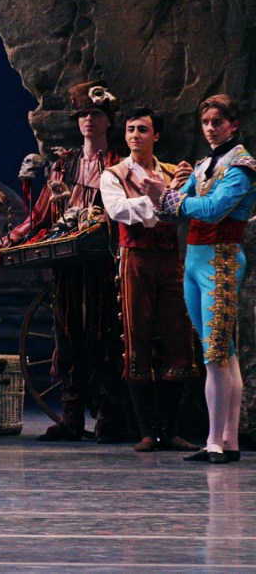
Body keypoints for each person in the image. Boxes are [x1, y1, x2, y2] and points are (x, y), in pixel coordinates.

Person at [0, 81, 129, 443]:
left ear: (108, 120)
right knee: (67, 335)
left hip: (104, 260)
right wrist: (14, 236)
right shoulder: (64, 164)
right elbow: (40, 215)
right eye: (83, 114)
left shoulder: (118, 163)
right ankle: (72, 417)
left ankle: (109, 417)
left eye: (95, 114)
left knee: (104, 336)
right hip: (68, 261)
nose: (88, 120)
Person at [157, 94, 255, 464]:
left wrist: (172, 200)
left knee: (216, 353)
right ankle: (226, 440)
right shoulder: (202, 166)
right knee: (220, 352)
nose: (211, 128)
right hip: (196, 260)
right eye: (206, 123)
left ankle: (215, 440)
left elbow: (211, 210)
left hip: (222, 260)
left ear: (234, 125)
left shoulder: (242, 166)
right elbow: (170, 208)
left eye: (217, 122)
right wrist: (164, 194)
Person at [99, 108, 199, 452]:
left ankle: (169, 429)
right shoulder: (114, 174)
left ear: (155, 136)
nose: (135, 135)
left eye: (143, 130)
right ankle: (146, 430)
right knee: (136, 338)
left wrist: (172, 191)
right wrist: (163, 196)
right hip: (136, 261)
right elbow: (118, 211)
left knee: (179, 339)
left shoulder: (173, 172)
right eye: (130, 130)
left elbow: (187, 209)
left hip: (171, 261)